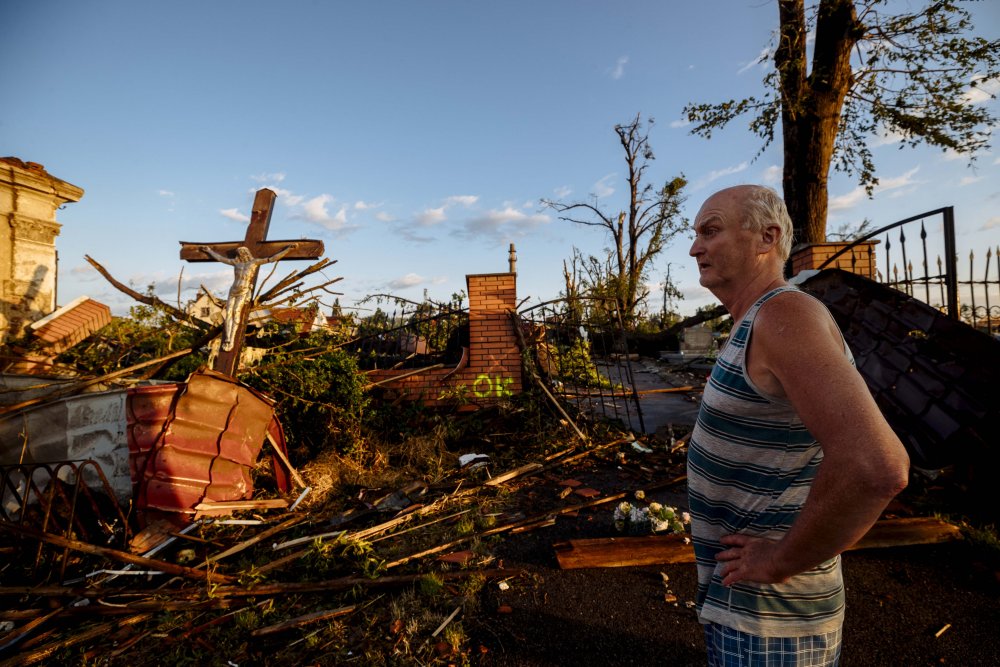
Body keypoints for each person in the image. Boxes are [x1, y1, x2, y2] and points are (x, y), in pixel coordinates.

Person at [685, 185, 910, 666]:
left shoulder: (785, 314)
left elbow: (878, 466)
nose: (695, 247)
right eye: (696, 234)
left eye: (711, 230)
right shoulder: (755, 320)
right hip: (743, 609)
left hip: (772, 628)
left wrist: (781, 559)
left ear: (767, 238)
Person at [199, 243, 297, 351]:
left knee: (236, 312)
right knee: (228, 314)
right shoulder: (236, 262)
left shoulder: (254, 263)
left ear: (246, 253)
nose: (240, 255)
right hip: (233, 290)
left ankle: (231, 339)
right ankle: (227, 338)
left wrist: (287, 250)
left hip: (244, 290)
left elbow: (272, 259)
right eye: (239, 253)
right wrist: (209, 251)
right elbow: (220, 258)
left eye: (242, 252)